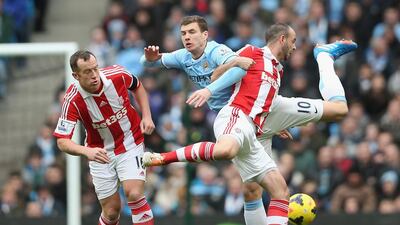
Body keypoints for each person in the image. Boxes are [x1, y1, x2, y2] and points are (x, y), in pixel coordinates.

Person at [143, 23, 357, 225]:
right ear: (282, 39)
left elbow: (262, 97)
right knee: (233, 159)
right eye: (293, 41)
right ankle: (163, 158)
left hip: (266, 115)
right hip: (237, 117)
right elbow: (217, 75)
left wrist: (272, 122)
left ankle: (325, 56)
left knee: (338, 110)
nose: (294, 47)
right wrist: (220, 78)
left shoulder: (278, 69)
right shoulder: (253, 52)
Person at [140, 15, 288, 225]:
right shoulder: (183, 56)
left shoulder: (217, 51)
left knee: (266, 188)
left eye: (192, 32)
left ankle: (164, 157)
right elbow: (147, 63)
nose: (187, 37)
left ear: (205, 35)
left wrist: (209, 90)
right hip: (237, 120)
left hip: (242, 113)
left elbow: (238, 71)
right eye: (183, 33)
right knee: (260, 189)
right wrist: (149, 58)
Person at [53, 50, 155, 225]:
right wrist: (86, 151)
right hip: (99, 154)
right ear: (75, 75)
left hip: (130, 141)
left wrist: (146, 116)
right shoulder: (72, 100)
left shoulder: (117, 74)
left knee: (134, 193)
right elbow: (62, 141)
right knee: (111, 211)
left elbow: (137, 86)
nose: (94, 75)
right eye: (87, 72)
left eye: (95, 68)